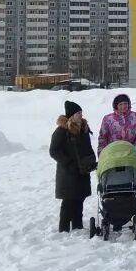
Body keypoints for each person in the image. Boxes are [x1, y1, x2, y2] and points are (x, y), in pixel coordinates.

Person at [49, 100, 96, 233]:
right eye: (78, 113)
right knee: (68, 201)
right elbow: (54, 151)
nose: (81, 115)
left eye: (81, 113)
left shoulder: (84, 128)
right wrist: (68, 162)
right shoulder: (62, 131)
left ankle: (77, 226)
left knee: (80, 199)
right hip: (68, 172)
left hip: (83, 170)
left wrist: (91, 161)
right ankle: (63, 229)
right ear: (71, 115)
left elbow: (88, 147)